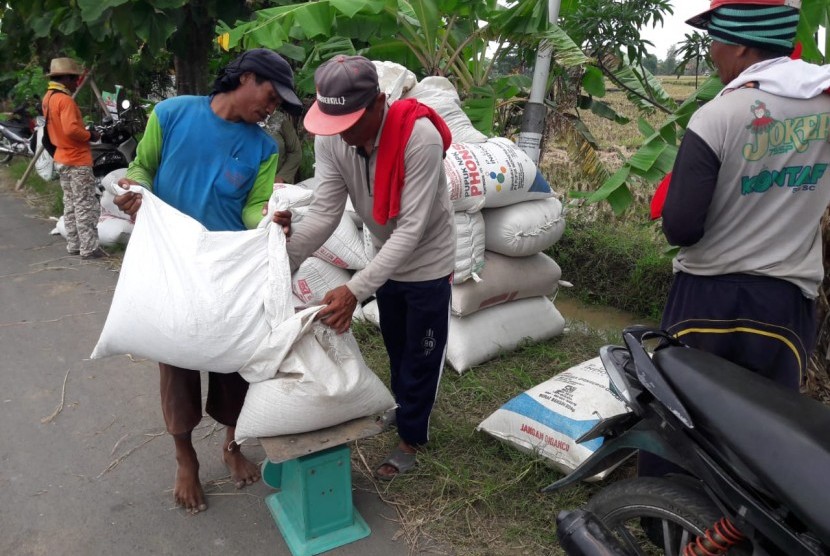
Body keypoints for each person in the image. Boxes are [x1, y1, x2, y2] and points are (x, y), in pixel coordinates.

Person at [112, 48, 303, 514]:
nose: (274, 106)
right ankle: (185, 457)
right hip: (172, 266)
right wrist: (134, 193)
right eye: (272, 95)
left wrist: (272, 219)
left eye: (280, 102)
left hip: (227, 272)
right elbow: (143, 169)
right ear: (248, 77)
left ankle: (232, 444)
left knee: (234, 362)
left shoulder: (263, 148)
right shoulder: (172, 114)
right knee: (175, 364)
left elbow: (251, 209)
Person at [270, 55, 455, 480]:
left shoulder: (419, 139)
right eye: (335, 123)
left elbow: (411, 231)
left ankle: (412, 438)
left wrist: (356, 288)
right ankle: (402, 409)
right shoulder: (332, 138)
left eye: (352, 121)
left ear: (379, 102)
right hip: (385, 262)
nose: (344, 134)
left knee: (422, 355)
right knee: (395, 346)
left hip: (427, 264)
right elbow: (325, 213)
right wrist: (282, 260)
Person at [43, 57, 105, 260]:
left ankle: (74, 244)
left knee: (70, 204)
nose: (77, 82)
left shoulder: (49, 98)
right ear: (67, 78)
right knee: (85, 204)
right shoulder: (65, 100)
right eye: (75, 78)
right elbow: (71, 130)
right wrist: (90, 135)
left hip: (61, 157)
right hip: (77, 159)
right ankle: (89, 248)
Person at [265, 110, 302, 183]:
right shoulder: (240, 121)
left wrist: (282, 177)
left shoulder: (279, 119)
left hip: (278, 185)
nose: (270, 107)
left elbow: (295, 152)